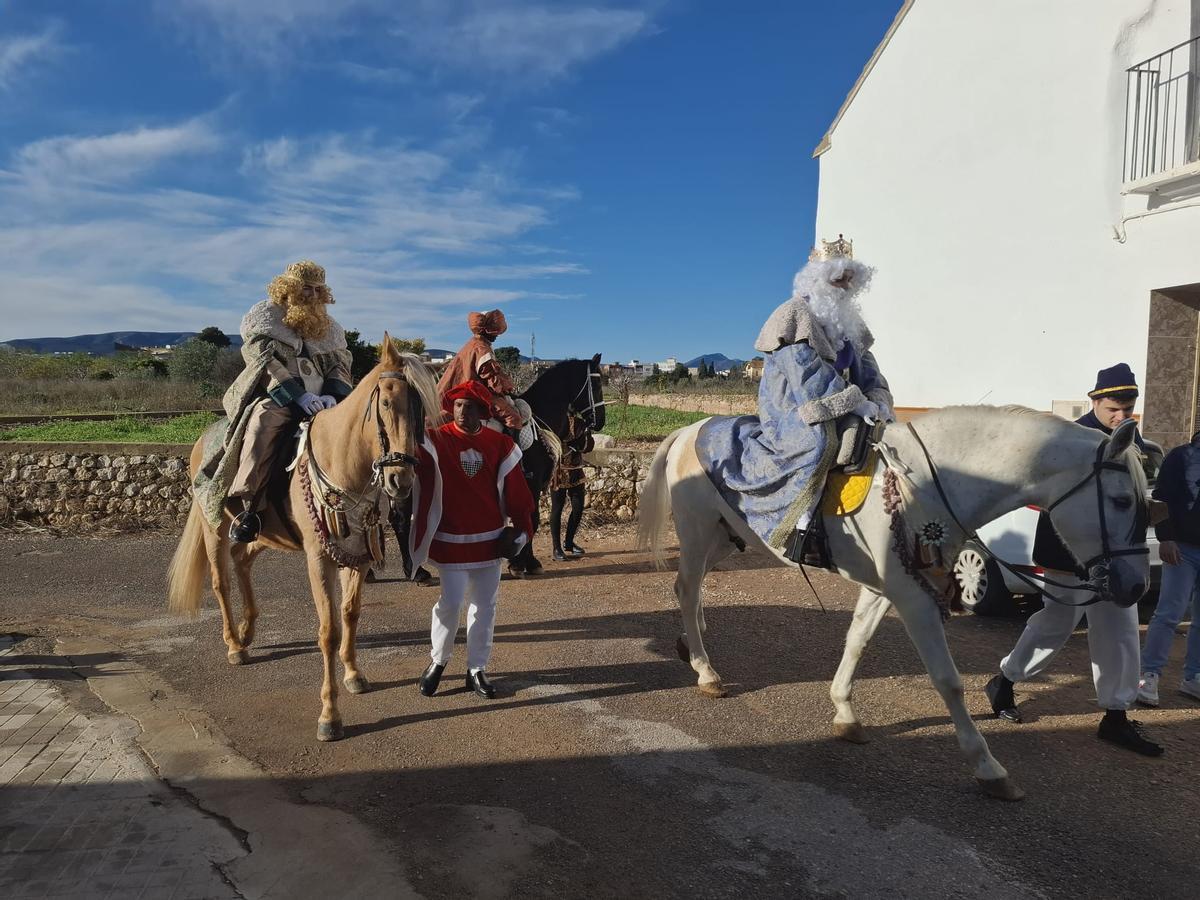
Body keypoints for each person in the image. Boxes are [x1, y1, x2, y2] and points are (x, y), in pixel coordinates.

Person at [984, 363, 1163, 756]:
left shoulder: (1130, 437)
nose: (1121, 415)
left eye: (1128, 407)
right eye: (1113, 408)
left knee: (1119, 630)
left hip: (1113, 553)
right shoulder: (1069, 439)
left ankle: (1115, 715)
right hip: (1069, 551)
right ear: (1094, 401)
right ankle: (1005, 681)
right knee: (1056, 623)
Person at [695, 235, 894, 566]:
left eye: (850, 280)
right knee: (820, 442)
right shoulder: (792, 315)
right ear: (818, 279)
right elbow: (808, 378)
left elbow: (871, 371)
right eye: (838, 278)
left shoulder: (851, 326)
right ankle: (802, 527)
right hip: (794, 410)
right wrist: (857, 402)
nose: (845, 287)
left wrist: (879, 400)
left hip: (843, 405)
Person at [192, 260, 352, 541]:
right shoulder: (265, 317)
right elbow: (264, 362)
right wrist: (298, 396)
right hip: (279, 396)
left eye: (318, 290)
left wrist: (332, 394)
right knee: (262, 423)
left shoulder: (331, 328)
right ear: (289, 287)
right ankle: (250, 506)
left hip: (324, 398)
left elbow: (340, 363)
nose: (313, 295)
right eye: (307, 288)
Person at [409, 380, 535, 700]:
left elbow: (517, 492)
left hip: (489, 541)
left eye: (469, 406)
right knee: (450, 603)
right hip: (451, 541)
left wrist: (523, 529)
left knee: (484, 607)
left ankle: (476, 668)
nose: (462, 411)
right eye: (458, 405)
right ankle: (438, 661)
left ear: (482, 411)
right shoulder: (434, 440)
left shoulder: (499, 444)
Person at [1137, 428, 1200, 706]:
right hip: (1181, 548)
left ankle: (1193, 677)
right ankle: (1148, 676)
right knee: (1169, 613)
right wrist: (1166, 537)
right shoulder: (1180, 456)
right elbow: (1161, 498)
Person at [437, 309, 523, 430]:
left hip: (457, 393)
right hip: (474, 394)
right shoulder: (482, 349)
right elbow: (493, 381)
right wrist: (507, 388)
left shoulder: (472, 344)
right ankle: (509, 442)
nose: (497, 335)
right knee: (514, 419)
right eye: (495, 332)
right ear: (487, 331)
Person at [550, 413, 595, 561]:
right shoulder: (554, 421)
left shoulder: (580, 424)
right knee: (557, 509)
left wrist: (587, 433)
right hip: (558, 472)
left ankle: (569, 542)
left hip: (576, 471)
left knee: (578, 507)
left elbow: (587, 447)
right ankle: (556, 548)